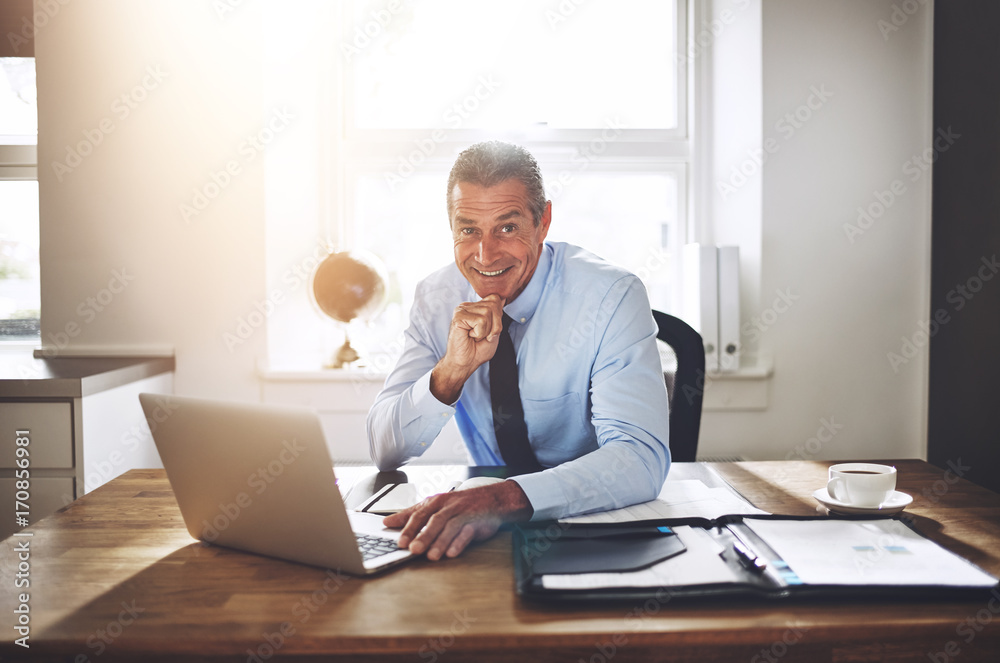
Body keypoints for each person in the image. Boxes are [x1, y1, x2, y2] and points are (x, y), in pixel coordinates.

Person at [366, 140, 670, 561]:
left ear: (543, 221)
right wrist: (451, 372)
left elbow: (640, 460)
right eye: (468, 229)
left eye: (507, 228)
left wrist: (499, 499)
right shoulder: (435, 299)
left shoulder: (610, 296)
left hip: (591, 524)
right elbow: (384, 449)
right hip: (481, 533)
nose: (485, 254)